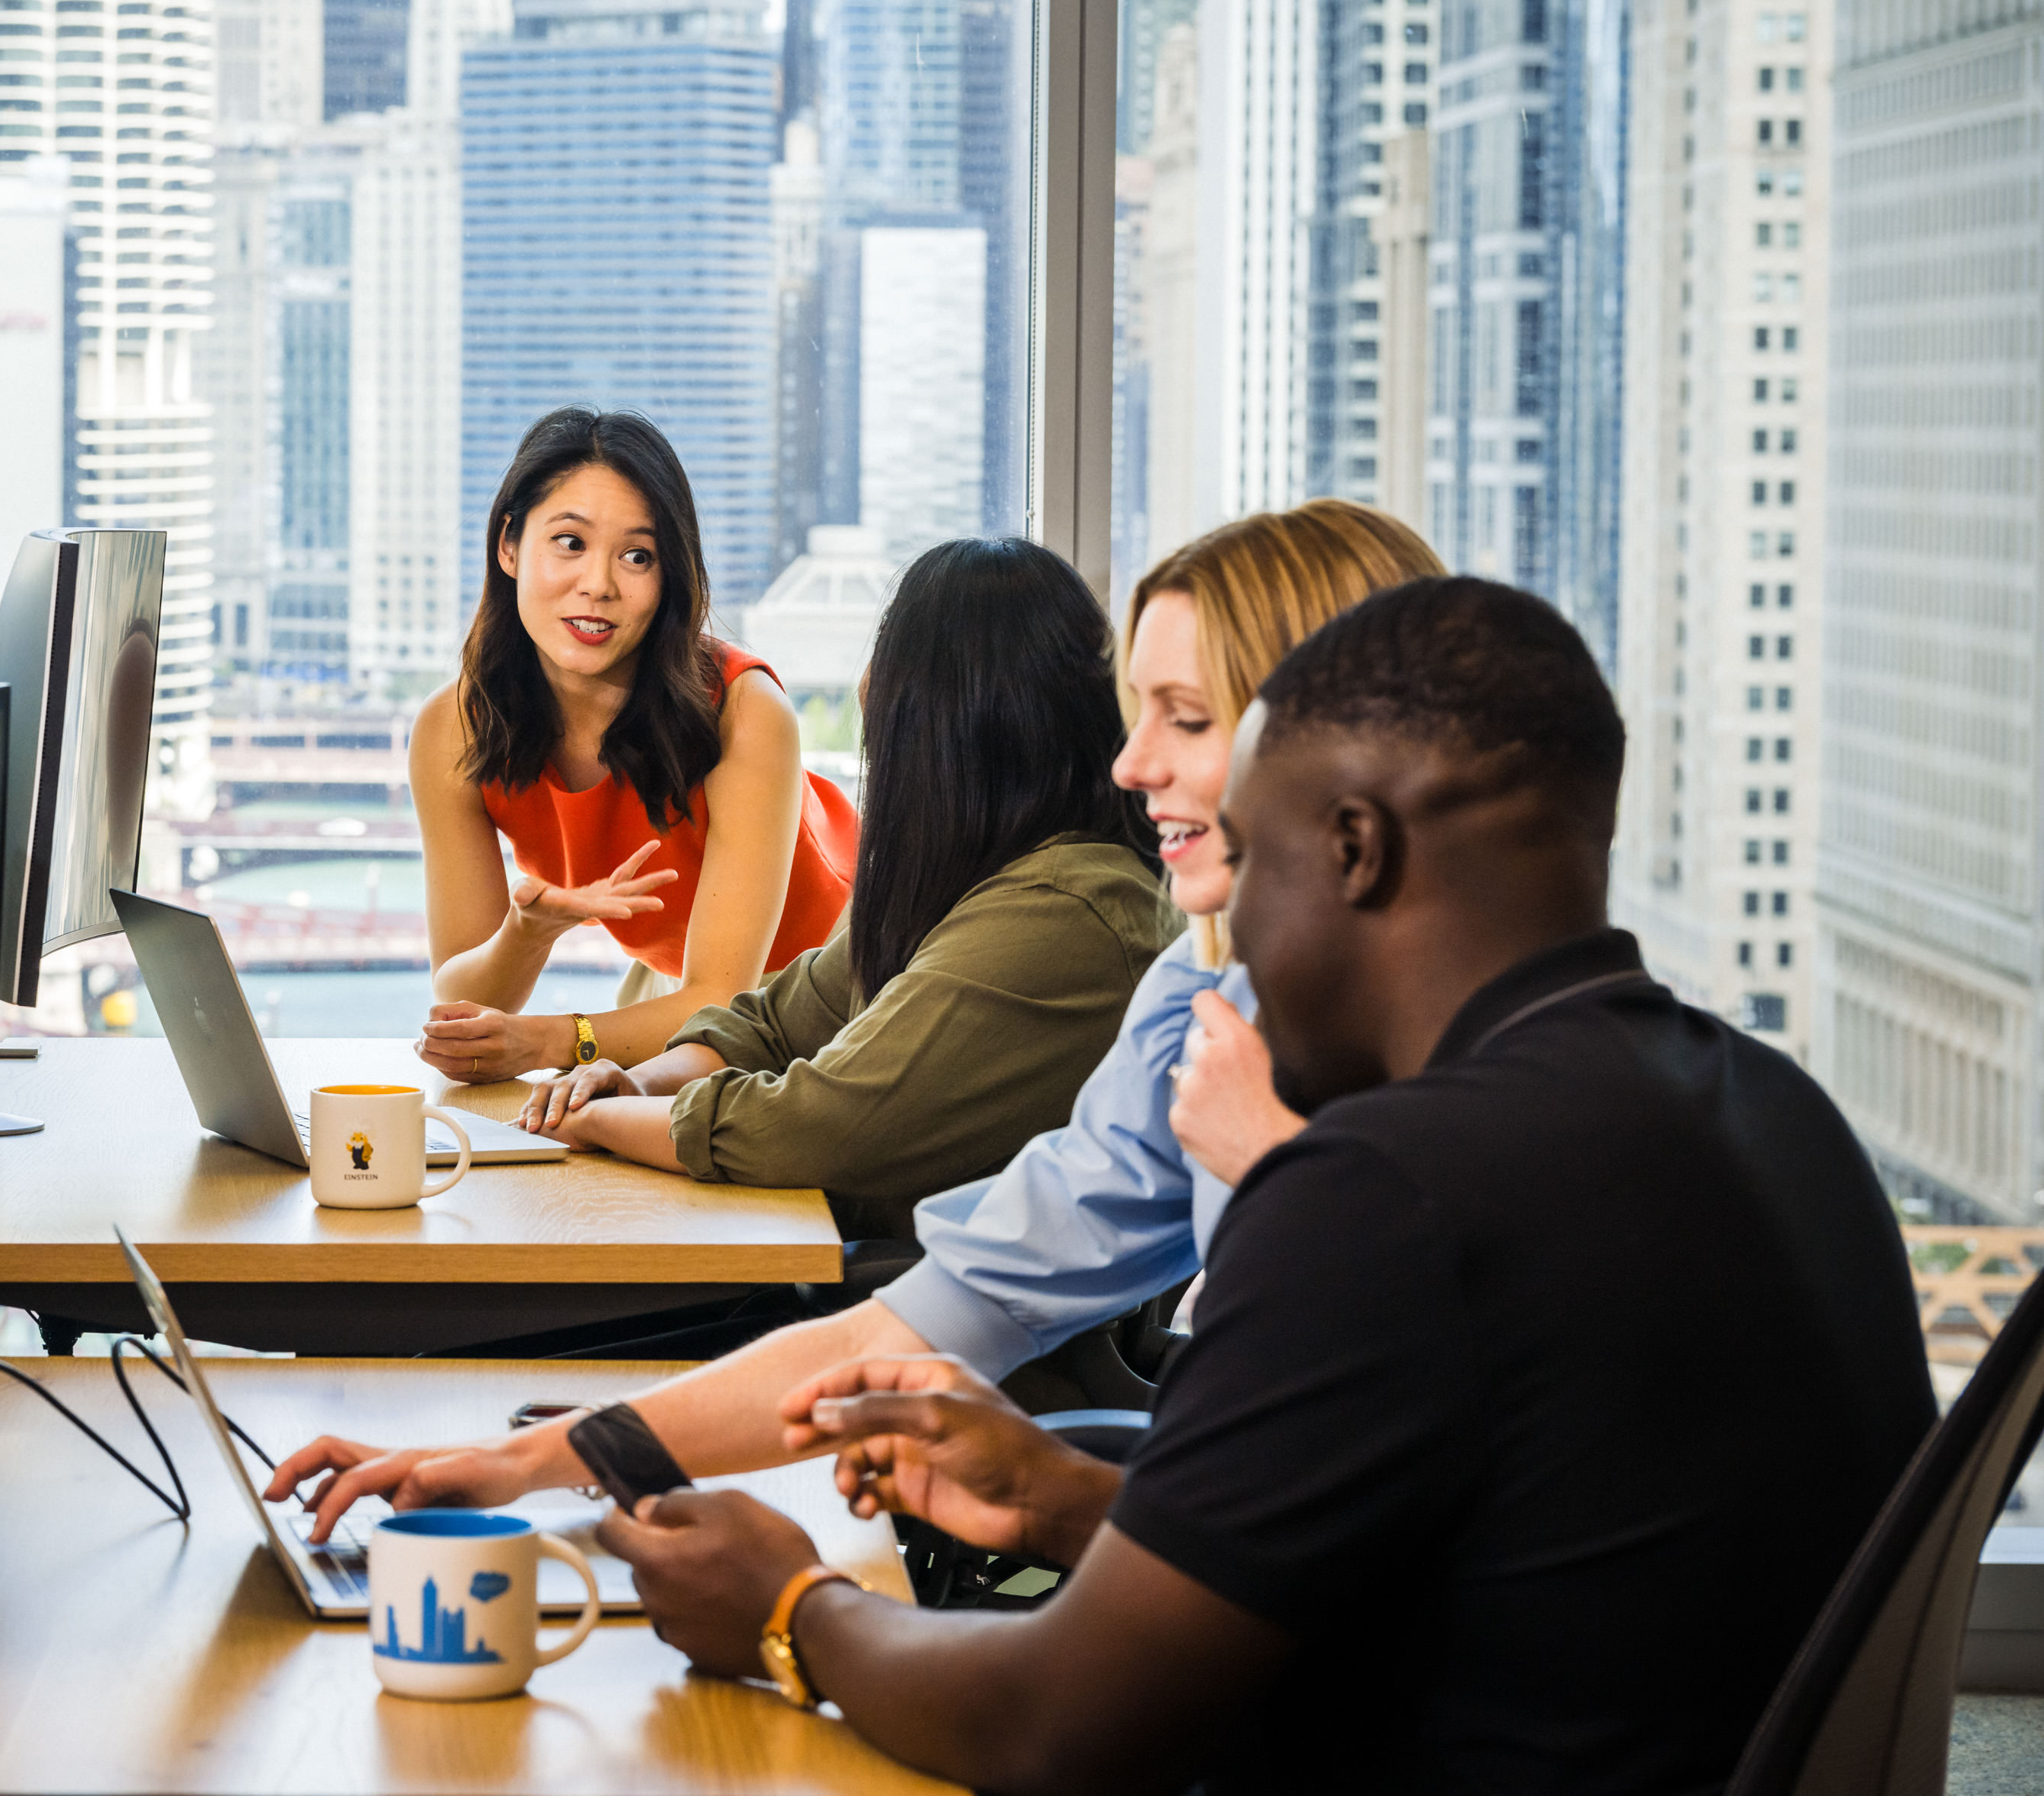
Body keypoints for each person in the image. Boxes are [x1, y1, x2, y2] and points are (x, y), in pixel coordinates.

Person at [588, 577, 1935, 1794]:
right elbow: (1533, 1569)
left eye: (1252, 858)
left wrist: (792, 1605)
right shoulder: (1777, 1114)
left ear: (1352, 850)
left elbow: (1058, 1726)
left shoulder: (1383, 1191)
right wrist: (1070, 1496)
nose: (1215, 947)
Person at [270, 501, 1441, 1530]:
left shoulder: (1483, 1075)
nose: (1132, 765)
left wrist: (800, 1613)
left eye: (1184, 718)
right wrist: (526, 1459)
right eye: (1135, 712)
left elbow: (1320, 1509)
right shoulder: (1199, 1003)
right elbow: (959, 1303)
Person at [508, 537, 1179, 1245]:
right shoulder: (970, 873)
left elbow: (820, 1126)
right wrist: (637, 1085)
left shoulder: (1066, 913)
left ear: (948, 716)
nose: (866, 687)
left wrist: (600, 1117)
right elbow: (776, 1022)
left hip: (963, 1334)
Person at [411, 407, 859, 1085]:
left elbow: (726, 996)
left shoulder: (745, 710)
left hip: (829, 980)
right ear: (508, 543)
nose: (599, 584)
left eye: (637, 556)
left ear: (669, 577)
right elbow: (464, 1009)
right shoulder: (454, 727)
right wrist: (527, 934)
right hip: (681, 982)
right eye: (569, 542)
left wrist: (544, 1042)